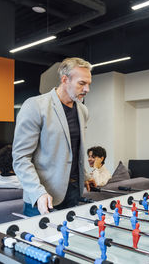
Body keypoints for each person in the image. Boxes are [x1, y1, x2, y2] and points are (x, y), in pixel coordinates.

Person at [12, 57, 92, 216]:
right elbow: (21, 158)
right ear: (65, 80)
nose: (87, 89)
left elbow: (74, 149)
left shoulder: (83, 110)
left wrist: (85, 175)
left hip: (74, 192)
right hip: (43, 197)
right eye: (82, 83)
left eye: (89, 84)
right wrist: (38, 192)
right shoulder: (35, 106)